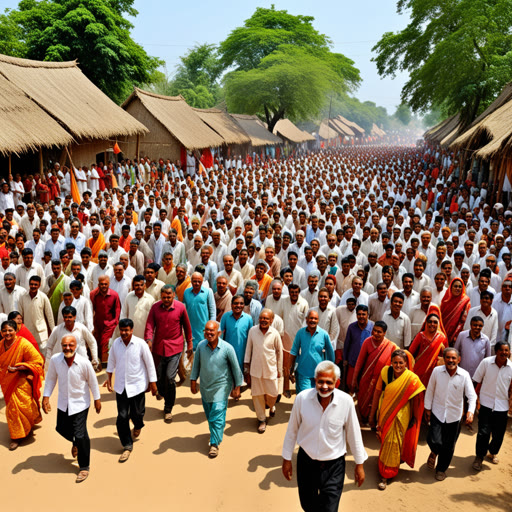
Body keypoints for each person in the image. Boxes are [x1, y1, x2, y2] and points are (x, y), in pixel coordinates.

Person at [282, 361, 367, 512]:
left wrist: (359, 464)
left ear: (337, 382)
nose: (324, 386)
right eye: (320, 382)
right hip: (306, 463)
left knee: (330, 508)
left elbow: (354, 434)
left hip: (334, 466)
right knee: (308, 505)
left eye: (329, 382)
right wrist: (286, 459)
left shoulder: (346, 402)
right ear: (315, 381)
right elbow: (292, 430)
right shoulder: (302, 399)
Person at [42, 335, 101, 483]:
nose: (67, 348)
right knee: (61, 428)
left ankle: (84, 467)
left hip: (81, 403)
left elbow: (93, 382)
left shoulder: (83, 362)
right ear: (61, 346)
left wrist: (97, 399)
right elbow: (50, 379)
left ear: (76, 346)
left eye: (71, 345)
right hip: (64, 403)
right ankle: (75, 442)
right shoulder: (56, 360)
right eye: (64, 345)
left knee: (81, 435)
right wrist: (46, 397)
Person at [369, 350, 425, 490]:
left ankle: (386, 474)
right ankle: (385, 465)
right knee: (385, 439)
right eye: (395, 362)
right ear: (391, 362)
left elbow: (416, 400)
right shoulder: (385, 372)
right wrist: (372, 414)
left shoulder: (412, 378)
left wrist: (414, 417)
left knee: (394, 441)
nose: (398, 365)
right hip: (385, 411)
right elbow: (377, 392)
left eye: (401, 363)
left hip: (402, 415)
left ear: (406, 363)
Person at [106, 318, 158, 462]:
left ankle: (138, 424)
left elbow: (150, 364)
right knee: (122, 416)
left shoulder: (141, 344)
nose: (123, 333)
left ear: (132, 330)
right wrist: (109, 379)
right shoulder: (116, 344)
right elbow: (111, 362)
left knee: (138, 413)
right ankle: (127, 445)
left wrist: (153, 384)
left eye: (126, 330)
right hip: (121, 387)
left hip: (137, 386)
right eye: (121, 330)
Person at [190, 320, 243, 458]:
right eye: (206, 330)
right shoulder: (201, 347)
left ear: (218, 332)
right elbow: (196, 365)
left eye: (212, 330)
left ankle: (214, 444)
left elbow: (236, 369)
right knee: (210, 415)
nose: (209, 333)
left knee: (217, 413)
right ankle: (215, 432)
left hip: (222, 386)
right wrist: (193, 381)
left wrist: (237, 387)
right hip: (205, 387)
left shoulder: (227, 348)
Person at [424, 347, 477, 481]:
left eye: (454, 358)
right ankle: (434, 451)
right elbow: (430, 390)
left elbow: (472, 396)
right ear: (444, 359)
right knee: (433, 439)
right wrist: (427, 408)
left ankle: (441, 469)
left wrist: (470, 412)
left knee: (448, 446)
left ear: (459, 360)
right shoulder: (437, 371)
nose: (451, 360)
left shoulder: (464, 375)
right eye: (448, 357)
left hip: (454, 416)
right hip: (437, 412)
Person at [145, 284, 193, 422]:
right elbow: (149, 325)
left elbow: (187, 327)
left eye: (169, 296)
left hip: (175, 347)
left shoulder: (181, 307)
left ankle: (168, 408)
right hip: (159, 347)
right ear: (161, 296)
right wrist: (148, 339)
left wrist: (189, 344)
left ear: (173, 295)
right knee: (159, 376)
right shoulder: (155, 307)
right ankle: (162, 391)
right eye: (164, 296)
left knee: (170, 377)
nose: (166, 299)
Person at [0, 320, 44, 451]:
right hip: (7, 381)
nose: (7, 333)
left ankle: (16, 437)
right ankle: (20, 432)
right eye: (4, 331)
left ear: (15, 331)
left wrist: (19, 367)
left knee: (18, 407)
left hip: (21, 381)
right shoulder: (1, 345)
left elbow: (38, 361)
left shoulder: (24, 344)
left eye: (10, 330)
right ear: (1, 332)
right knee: (13, 408)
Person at [472, 341, 512, 471]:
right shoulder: (486, 363)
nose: (504, 353)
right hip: (486, 403)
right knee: (483, 433)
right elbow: (476, 381)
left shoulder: (511, 367)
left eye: (507, 351)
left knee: (499, 434)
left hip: (502, 406)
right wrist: (474, 400)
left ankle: (492, 452)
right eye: (502, 350)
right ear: (496, 351)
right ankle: (479, 457)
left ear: (509, 352)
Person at [244, 309, 283, 433]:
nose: (263, 320)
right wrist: (246, 369)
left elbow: (279, 352)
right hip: (255, 370)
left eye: (266, 318)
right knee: (257, 395)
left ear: (271, 320)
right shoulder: (253, 331)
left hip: (271, 369)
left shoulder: (275, 333)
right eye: (261, 318)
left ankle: (271, 407)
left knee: (273, 394)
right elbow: (248, 350)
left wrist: (279, 369)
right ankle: (261, 419)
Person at [352, 321, 397, 423]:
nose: (376, 334)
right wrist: (354, 379)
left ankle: (374, 420)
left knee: (377, 400)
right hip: (366, 378)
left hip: (381, 380)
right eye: (375, 331)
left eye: (379, 332)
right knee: (363, 400)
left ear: (384, 333)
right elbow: (359, 362)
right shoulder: (367, 342)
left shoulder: (390, 346)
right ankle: (363, 419)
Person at [289, 310, 335, 394]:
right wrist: (290, 370)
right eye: (311, 318)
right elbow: (294, 352)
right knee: (305, 396)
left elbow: (330, 354)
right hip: (303, 373)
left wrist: (330, 371)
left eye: (315, 319)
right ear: (306, 319)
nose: (313, 320)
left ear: (318, 320)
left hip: (319, 374)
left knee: (316, 398)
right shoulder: (300, 333)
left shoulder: (324, 334)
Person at [409, 311, 447, 387]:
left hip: (434, 372)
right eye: (430, 322)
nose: (432, 324)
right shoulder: (420, 336)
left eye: (435, 322)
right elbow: (410, 353)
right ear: (426, 323)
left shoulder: (441, 338)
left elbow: (445, 356)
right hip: (419, 371)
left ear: (438, 324)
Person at [90, 275, 121, 364]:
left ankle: (105, 365)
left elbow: (117, 310)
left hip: (109, 325)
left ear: (109, 284)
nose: (103, 286)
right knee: (96, 343)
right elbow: (91, 309)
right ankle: (97, 364)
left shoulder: (114, 295)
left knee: (105, 344)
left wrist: (115, 323)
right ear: (98, 285)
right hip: (97, 324)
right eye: (101, 284)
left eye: (105, 284)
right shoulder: (94, 294)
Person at [220, 294, 253, 375]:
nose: (238, 305)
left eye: (241, 303)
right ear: (231, 304)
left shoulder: (248, 318)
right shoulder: (225, 316)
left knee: (240, 374)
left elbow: (251, 337)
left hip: (243, 352)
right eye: (236, 303)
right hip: (228, 351)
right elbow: (220, 334)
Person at [183, 272, 216, 350]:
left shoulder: (208, 292)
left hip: (203, 329)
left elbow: (212, 310)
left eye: (199, 281)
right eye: (194, 281)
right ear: (191, 281)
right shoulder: (186, 292)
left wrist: (211, 328)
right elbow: (184, 310)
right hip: (190, 328)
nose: (197, 283)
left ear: (202, 282)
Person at [440, 277, 471, 346]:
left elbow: (464, 321)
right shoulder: (445, 300)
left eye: (460, 287)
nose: (457, 288)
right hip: (443, 333)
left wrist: (456, 335)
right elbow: (441, 318)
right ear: (451, 287)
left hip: (458, 335)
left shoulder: (465, 301)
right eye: (455, 286)